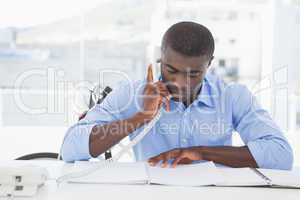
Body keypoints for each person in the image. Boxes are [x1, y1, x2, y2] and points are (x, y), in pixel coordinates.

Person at [61, 21, 293, 170]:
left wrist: (201, 153)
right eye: (171, 70)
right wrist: (140, 117)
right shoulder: (133, 93)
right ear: (161, 58)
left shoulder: (232, 96)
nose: (181, 83)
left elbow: (281, 154)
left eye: (194, 74)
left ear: (209, 64)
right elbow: (70, 147)